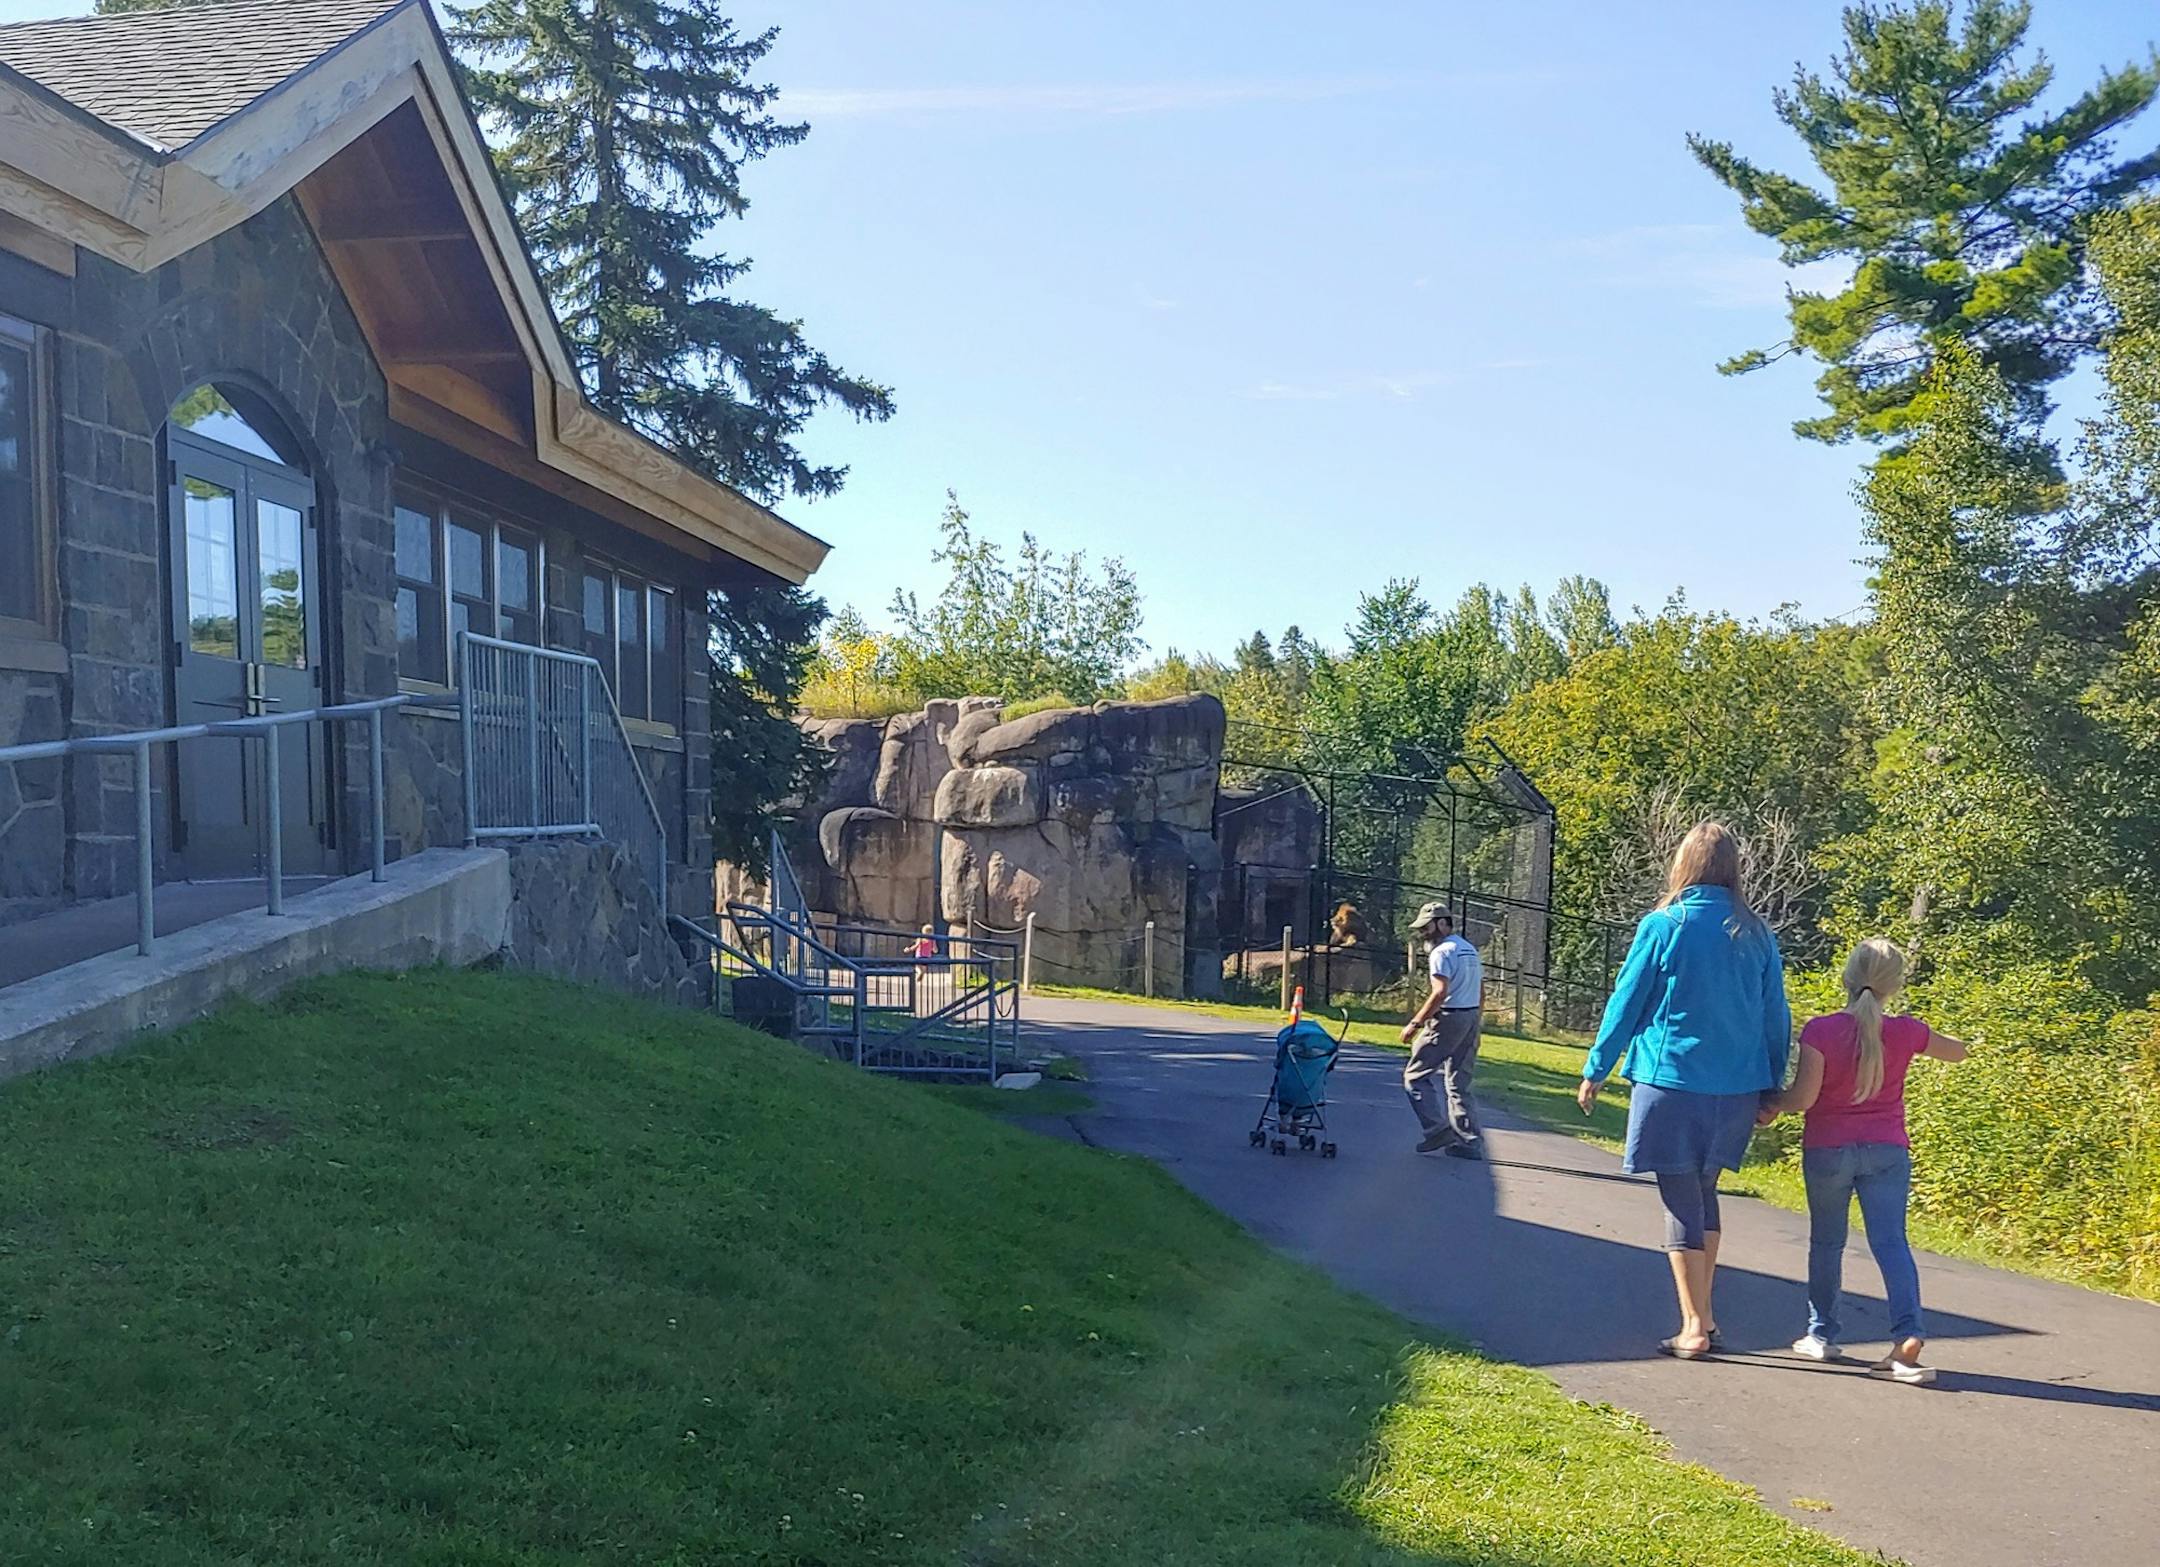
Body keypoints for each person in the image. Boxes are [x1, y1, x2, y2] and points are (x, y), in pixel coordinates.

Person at [1577, 822, 1789, 1360]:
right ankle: (1707, 1315)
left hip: (1671, 1079)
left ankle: (1692, 1325)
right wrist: (1771, 1084)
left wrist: (1597, 1066)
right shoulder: (1757, 932)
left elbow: (1628, 998)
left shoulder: (1664, 924)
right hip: (1737, 1086)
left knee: (1679, 1197)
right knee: (1704, 1190)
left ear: (1683, 865)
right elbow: (1775, 1017)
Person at [1759, 937, 1968, 1385]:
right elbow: (1959, 1050)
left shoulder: (1820, 1030)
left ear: (1848, 978)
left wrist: (1774, 1103)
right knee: (1892, 1243)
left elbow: (1803, 1099)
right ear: (1895, 985)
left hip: (1828, 1149)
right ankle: (1908, 1333)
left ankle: (1822, 1334)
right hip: (1888, 1148)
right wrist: (1928, 1036)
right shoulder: (1906, 1031)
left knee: (1827, 1242)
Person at [1398, 902, 1484, 1158]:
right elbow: (1481, 992)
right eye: (1422, 928)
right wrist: (1476, 1022)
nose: (1424, 932)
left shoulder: (1441, 952)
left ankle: (1437, 1129)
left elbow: (1440, 992)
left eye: (1428, 927)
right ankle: (1469, 1142)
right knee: (1459, 1083)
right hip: (1470, 1017)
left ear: (1443, 923)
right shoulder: (1468, 949)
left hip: (1449, 1018)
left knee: (1414, 1077)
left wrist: (1415, 1023)